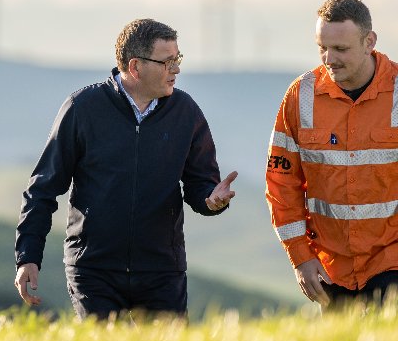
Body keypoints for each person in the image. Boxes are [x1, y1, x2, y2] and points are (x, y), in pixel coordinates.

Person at [265, 0, 398, 310]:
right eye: (322, 47)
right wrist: (300, 256)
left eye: (340, 49)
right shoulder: (300, 96)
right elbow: (280, 184)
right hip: (332, 258)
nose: (329, 58)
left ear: (370, 42)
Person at [14, 18, 239, 320]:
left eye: (178, 59)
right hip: (94, 270)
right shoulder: (83, 108)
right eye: (167, 61)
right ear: (135, 67)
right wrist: (28, 256)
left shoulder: (186, 112)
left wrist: (211, 200)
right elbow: (43, 187)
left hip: (161, 270)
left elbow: (201, 185)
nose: (176, 69)